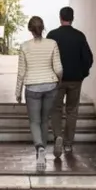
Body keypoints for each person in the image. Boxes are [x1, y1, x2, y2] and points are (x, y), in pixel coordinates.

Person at [15, 16, 63, 172]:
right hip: (50, 86)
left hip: (32, 88)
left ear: (30, 30)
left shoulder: (24, 46)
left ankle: (39, 148)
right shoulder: (52, 44)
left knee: (34, 121)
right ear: (42, 28)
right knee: (44, 120)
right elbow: (59, 69)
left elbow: (21, 72)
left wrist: (18, 92)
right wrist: (58, 81)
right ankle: (44, 148)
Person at [47, 6, 93, 159]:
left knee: (56, 109)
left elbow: (48, 58)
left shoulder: (52, 35)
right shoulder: (79, 36)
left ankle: (57, 137)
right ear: (72, 18)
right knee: (72, 111)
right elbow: (88, 59)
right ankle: (68, 144)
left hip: (57, 80)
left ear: (60, 17)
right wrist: (82, 74)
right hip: (75, 80)